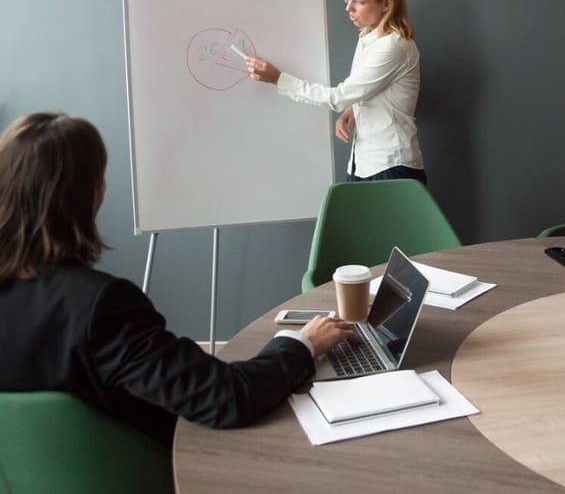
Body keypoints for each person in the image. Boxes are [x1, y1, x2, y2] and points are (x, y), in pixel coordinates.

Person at [0, 112, 350, 449]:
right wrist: (302, 344)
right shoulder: (100, 307)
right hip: (146, 471)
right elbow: (227, 397)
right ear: (91, 194)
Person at [246, 0, 426, 183]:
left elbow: (337, 97)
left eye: (359, 1)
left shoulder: (393, 46)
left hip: (390, 165)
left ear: (386, 4)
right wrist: (353, 109)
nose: (349, 8)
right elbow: (370, 89)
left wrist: (279, 79)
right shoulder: (369, 38)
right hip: (364, 162)